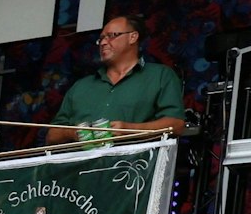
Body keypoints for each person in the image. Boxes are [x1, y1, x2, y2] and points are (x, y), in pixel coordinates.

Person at [46, 14, 186, 144]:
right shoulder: (81, 86)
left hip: (133, 167)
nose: (103, 43)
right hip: (80, 168)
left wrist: (130, 129)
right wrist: (71, 133)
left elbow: (176, 125)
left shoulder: (160, 75)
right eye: (101, 39)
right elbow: (51, 136)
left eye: (111, 36)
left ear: (133, 37)